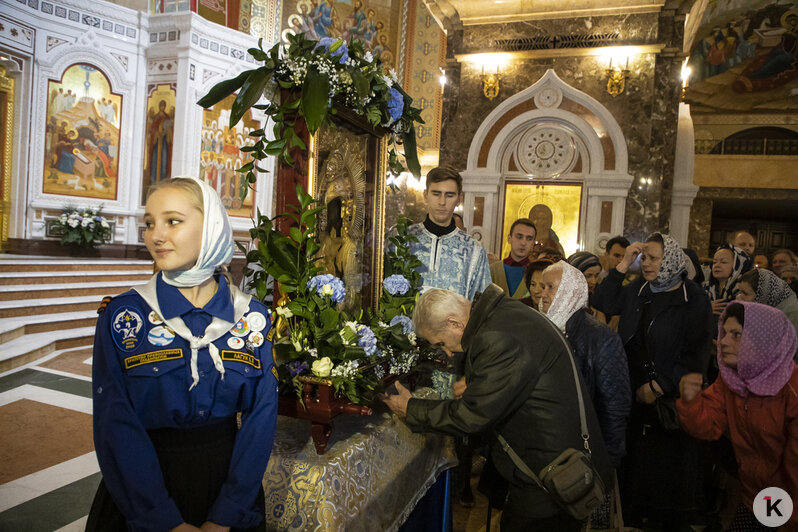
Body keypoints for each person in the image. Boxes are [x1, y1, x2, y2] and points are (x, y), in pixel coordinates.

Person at [87, 177, 278, 532]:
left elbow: (261, 418)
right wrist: (162, 521)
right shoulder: (124, 317)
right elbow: (115, 423)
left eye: (172, 221)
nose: (156, 235)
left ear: (212, 228)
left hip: (228, 487)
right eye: (149, 223)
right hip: (144, 490)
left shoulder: (251, 318)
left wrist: (226, 516)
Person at [382, 286, 613, 531]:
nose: (448, 352)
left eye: (441, 343)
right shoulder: (503, 314)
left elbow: (472, 416)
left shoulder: (496, 337)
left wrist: (412, 409)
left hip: (552, 474)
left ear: (453, 323)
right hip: (552, 463)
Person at [592, 233, 713, 529]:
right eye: (644, 257)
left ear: (670, 258)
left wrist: (660, 385)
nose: (646, 264)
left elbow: (698, 352)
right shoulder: (639, 289)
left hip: (667, 400)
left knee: (665, 477)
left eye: (653, 258)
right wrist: (623, 265)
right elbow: (604, 301)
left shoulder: (693, 297)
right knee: (634, 471)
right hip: (632, 396)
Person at [677, 302, 798, 531]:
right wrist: (691, 401)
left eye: (736, 335)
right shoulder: (733, 378)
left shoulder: (792, 388)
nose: (722, 341)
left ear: (763, 339)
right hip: (753, 495)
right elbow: (708, 427)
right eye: (725, 333)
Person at [539, 261, 631, 529]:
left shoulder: (600, 338)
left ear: (570, 291)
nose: (542, 293)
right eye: (542, 286)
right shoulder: (543, 329)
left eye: (550, 287)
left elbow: (615, 406)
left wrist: (607, 464)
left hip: (589, 458)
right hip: (552, 453)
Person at [406, 166, 491, 300]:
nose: (442, 202)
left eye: (449, 195)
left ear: (459, 199)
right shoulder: (405, 239)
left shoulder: (474, 250)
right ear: (425, 195)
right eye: (436, 193)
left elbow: (482, 304)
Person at [737, 268, 798, 356]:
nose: (740, 297)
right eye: (739, 291)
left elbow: (785, 353)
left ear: (763, 296)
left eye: (745, 293)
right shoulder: (756, 311)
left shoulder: (792, 314)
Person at [490, 218, 536, 299]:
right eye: (519, 237)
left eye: (529, 239)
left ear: (533, 244)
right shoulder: (493, 270)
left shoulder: (536, 272)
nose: (523, 243)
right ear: (509, 239)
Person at [703, 244, 753, 318]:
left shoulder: (743, 290)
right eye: (714, 262)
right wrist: (704, 309)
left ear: (737, 266)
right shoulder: (704, 288)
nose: (717, 265)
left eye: (723, 262)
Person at [567, 251, 612, 326]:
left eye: (596, 275)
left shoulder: (597, 299)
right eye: (588, 276)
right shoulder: (564, 301)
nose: (593, 281)